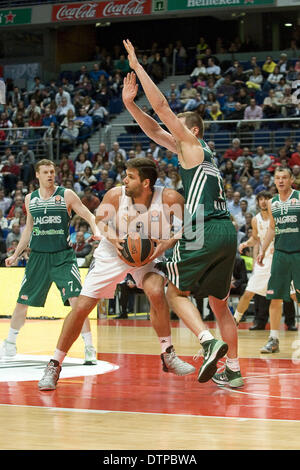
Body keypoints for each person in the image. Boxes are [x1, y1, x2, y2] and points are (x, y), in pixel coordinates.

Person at [120, 40, 243, 388]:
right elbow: (152, 129)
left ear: (192, 131)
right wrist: (130, 105)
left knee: (174, 292)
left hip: (204, 229)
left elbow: (160, 108)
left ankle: (207, 343)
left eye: (178, 128)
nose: (172, 134)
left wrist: (138, 65)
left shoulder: (191, 143)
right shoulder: (198, 154)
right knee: (221, 306)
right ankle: (232, 370)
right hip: (226, 232)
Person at [38, 157, 196, 390]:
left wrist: (167, 243)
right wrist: (113, 237)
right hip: (112, 253)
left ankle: (167, 354)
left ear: (146, 183)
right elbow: (99, 221)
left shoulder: (170, 198)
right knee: (81, 307)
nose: (124, 180)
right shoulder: (115, 195)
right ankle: (54, 364)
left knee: (155, 291)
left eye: (130, 176)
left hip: (149, 254)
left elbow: (195, 223)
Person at [0, 159, 101, 365]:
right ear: (37, 175)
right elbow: (28, 229)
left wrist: (96, 230)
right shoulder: (30, 199)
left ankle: (89, 347)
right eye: (45, 172)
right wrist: (16, 255)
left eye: (52, 172)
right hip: (38, 256)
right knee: (22, 302)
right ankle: (10, 343)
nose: (50, 175)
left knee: (77, 303)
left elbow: (88, 214)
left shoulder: (66, 195)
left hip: (62, 257)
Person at [257, 167, 300, 353]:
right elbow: (272, 229)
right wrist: (262, 249)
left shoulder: (299, 198)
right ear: (274, 181)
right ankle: (273, 339)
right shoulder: (272, 203)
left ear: (291, 180)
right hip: (280, 255)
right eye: (277, 178)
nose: (281, 181)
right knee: (275, 298)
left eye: (284, 177)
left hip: (298, 253)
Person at [233, 191, 273, 327]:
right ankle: (235, 320)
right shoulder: (256, 219)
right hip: (265, 260)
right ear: (257, 202)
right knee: (249, 292)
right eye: (260, 199)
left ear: (271, 200)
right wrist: (245, 243)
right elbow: (255, 238)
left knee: (293, 294)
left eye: (266, 198)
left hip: (281, 258)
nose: (263, 201)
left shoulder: (278, 217)